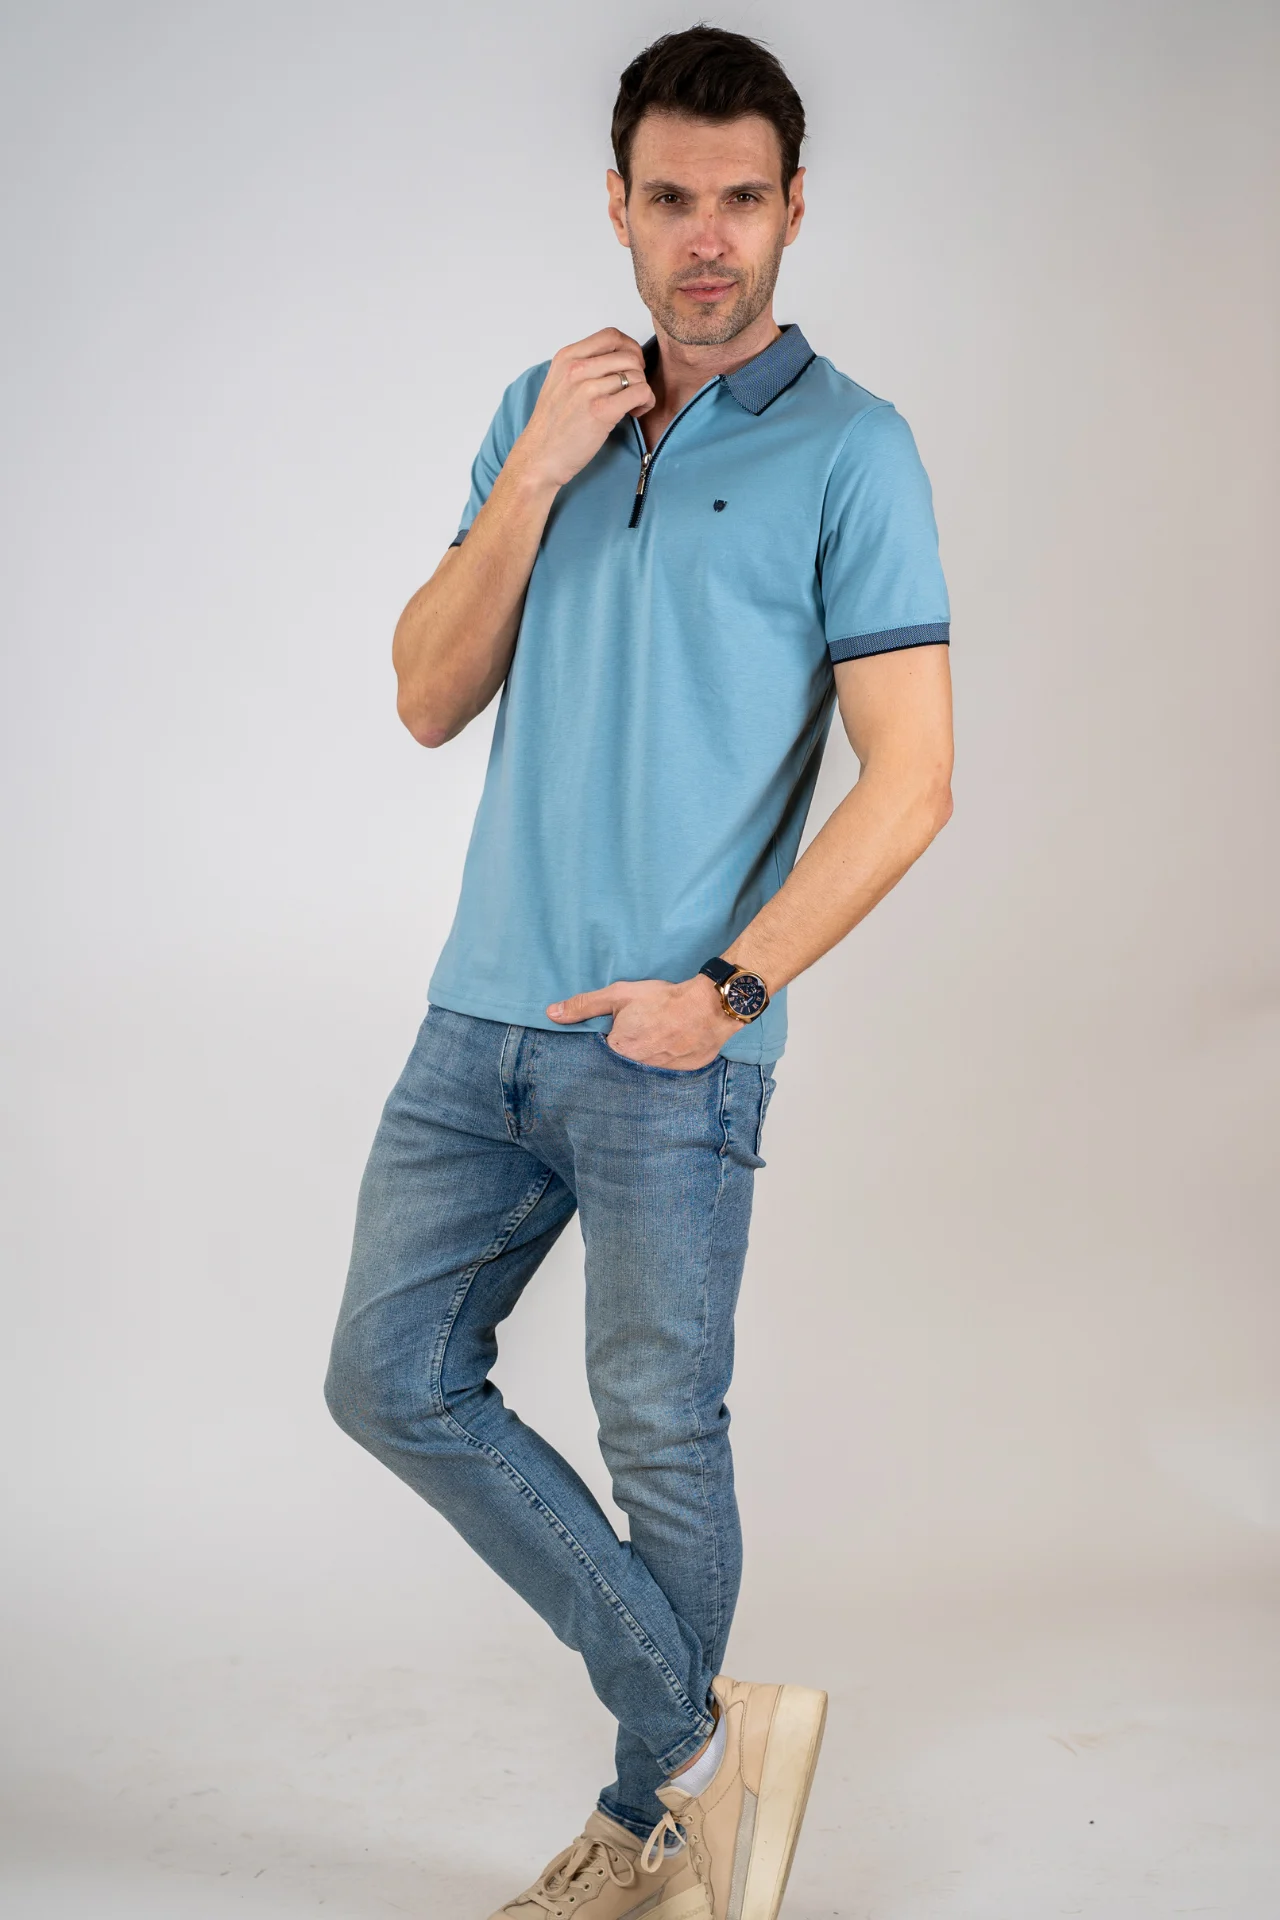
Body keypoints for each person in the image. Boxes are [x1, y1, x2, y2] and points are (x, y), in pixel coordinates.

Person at [324, 24, 953, 1920]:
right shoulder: (547, 408)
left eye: (741, 199)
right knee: (387, 1378)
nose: (706, 239)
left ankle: (653, 1829)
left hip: (677, 1044)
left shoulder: (856, 448)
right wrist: (535, 470)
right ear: (617, 204)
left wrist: (728, 993)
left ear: (793, 208)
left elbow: (912, 782)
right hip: (480, 1015)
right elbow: (428, 693)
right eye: (670, 198)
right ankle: (698, 1752)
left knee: (661, 1435)